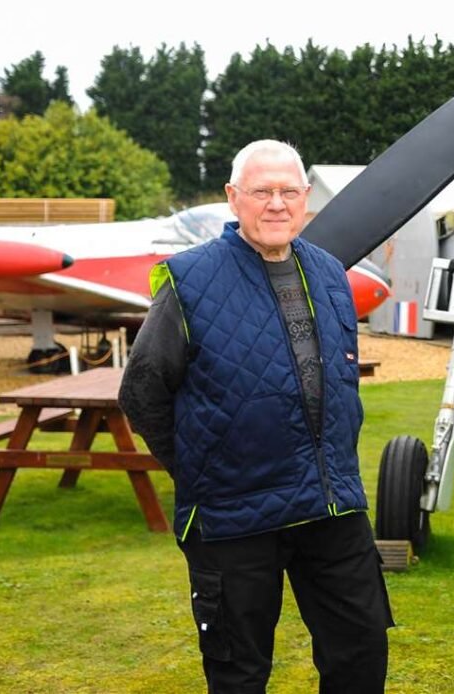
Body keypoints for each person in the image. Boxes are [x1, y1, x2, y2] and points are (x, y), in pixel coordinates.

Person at [119, 139, 391, 694]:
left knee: (361, 652)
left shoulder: (331, 274)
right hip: (233, 513)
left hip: (331, 504)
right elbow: (142, 391)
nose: (275, 203)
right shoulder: (189, 280)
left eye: (288, 191)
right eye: (261, 191)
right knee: (239, 672)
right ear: (233, 198)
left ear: (306, 198)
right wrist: (201, 466)